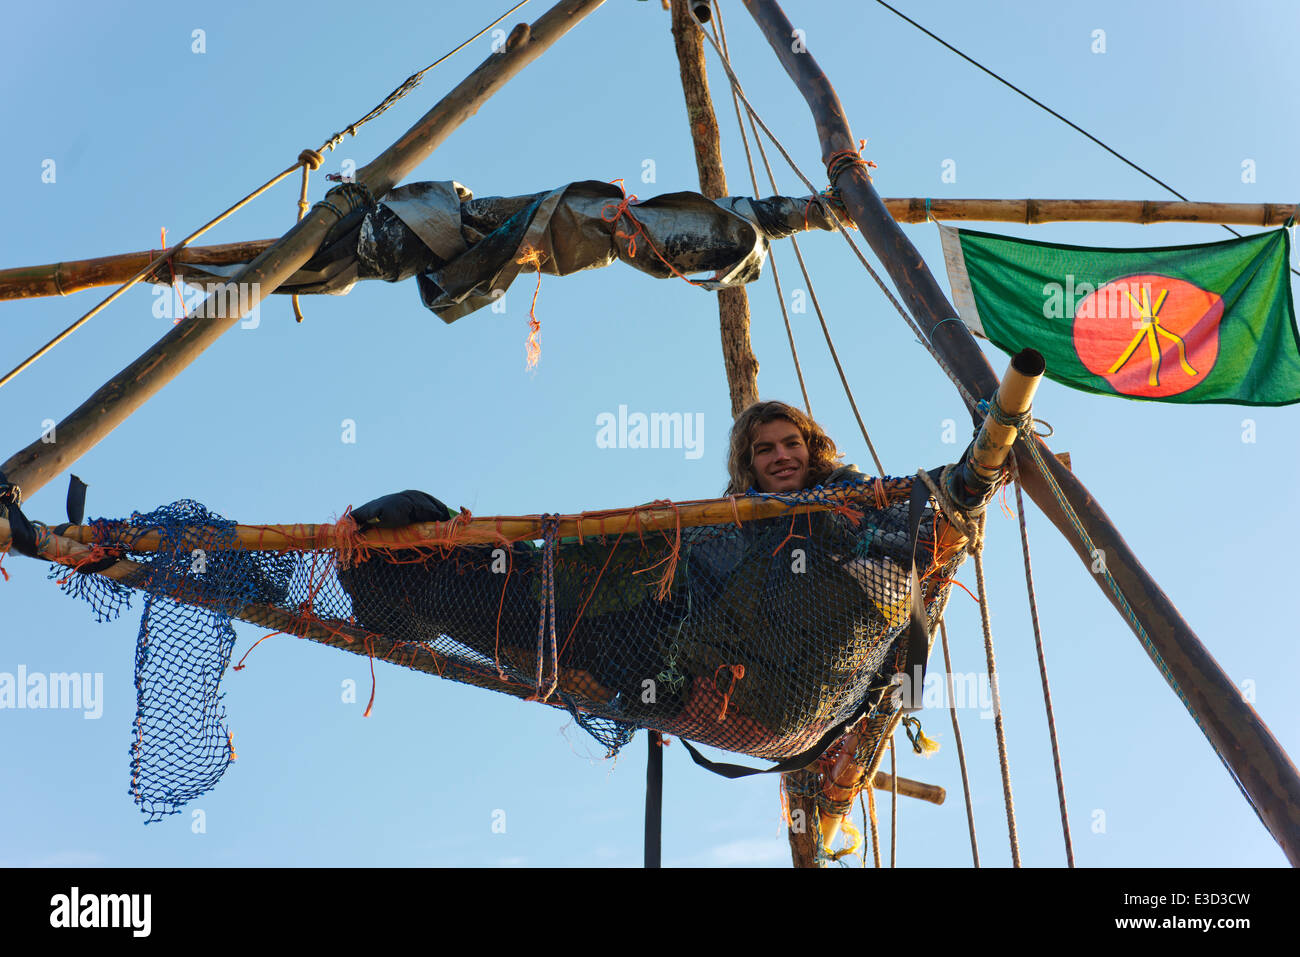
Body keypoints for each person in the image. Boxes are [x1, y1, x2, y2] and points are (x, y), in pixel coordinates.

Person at [337, 400, 931, 758]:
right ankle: (403, 553)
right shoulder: (721, 527)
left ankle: (411, 573)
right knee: (513, 595)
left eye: (791, 444)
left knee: (544, 613)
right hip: (653, 636)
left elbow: (901, 621)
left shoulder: (854, 510)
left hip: (734, 673)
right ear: (747, 466)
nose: (780, 456)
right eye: (764, 450)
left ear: (814, 450)